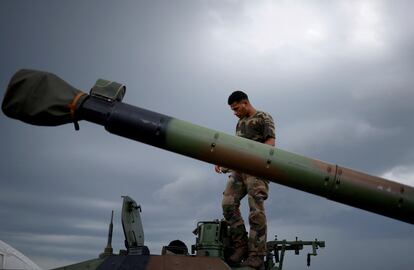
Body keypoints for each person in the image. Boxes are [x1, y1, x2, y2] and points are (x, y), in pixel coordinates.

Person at [215, 90, 275, 269]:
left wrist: (255, 159)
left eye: (236, 108)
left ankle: (256, 254)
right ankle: (240, 245)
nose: (235, 112)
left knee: (256, 210)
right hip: (240, 171)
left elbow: (271, 143)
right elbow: (238, 149)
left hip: (257, 170)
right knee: (228, 204)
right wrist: (224, 163)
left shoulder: (264, 117)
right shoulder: (240, 123)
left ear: (244, 103)